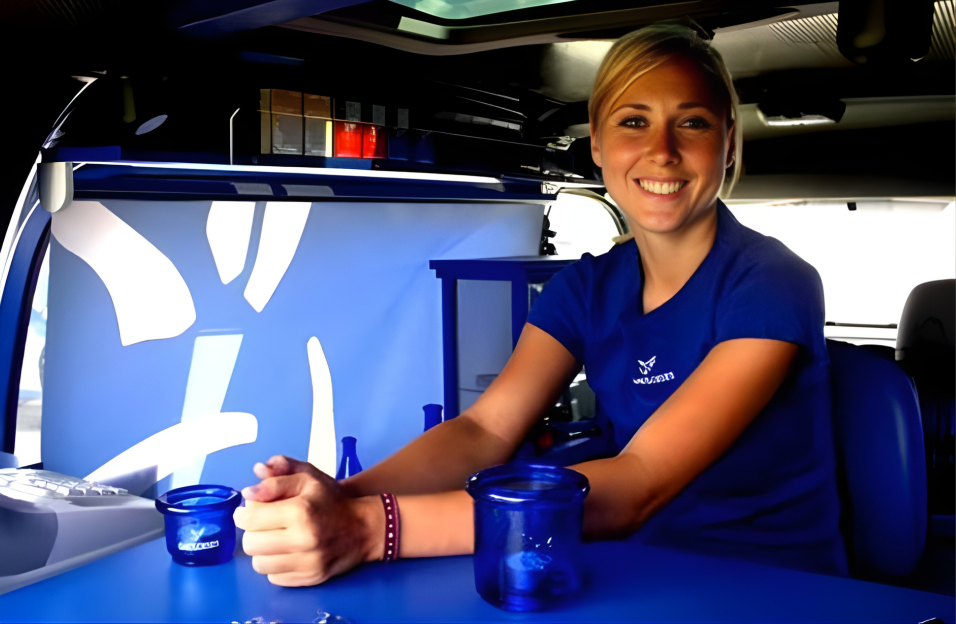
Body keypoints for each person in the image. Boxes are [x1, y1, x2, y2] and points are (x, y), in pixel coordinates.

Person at [232, 23, 848, 587]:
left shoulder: (772, 282)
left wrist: (372, 529)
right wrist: (344, 496)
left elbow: (641, 481)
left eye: (692, 123)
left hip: (774, 584)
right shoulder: (584, 288)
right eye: (634, 121)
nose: (662, 149)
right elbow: (483, 431)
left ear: (729, 143)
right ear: (598, 145)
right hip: (628, 567)